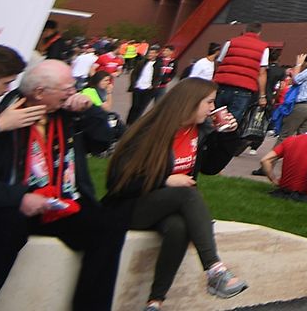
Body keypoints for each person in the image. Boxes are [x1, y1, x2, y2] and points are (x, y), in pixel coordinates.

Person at [103, 77, 251, 307]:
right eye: (209, 102)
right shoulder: (151, 131)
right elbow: (117, 182)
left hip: (166, 207)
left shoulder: (198, 131)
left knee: (179, 227)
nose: (213, 108)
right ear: (189, 103)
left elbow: (212, 168)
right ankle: (215, 270)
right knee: (187, 192)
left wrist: (228, 136)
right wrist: (164, 180)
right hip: (129, 206)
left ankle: (155, 302)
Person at [0, 58, 129, 311]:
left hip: (63, 202)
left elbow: (105, 141)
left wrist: (91, 110)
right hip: (18, 204)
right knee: (6, 226)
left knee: (108, 226)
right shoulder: (7, 113)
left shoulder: (71, 114)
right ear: (39, 92)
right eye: (67, 88)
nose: (73, 93)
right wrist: (18, 197)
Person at [211, 23, 273, 129]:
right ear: (259, 33)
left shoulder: (230, 42)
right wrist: (262, 96)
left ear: (245, 30)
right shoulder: (264, 48)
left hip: (223, 85)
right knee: (231, 124)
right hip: (244, 89)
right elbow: (261, 73)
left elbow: (219, 63)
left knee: (214, 119)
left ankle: (206, 142)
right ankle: (222, 143)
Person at [129, 44, 178, 125]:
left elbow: (173, 72)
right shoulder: (158, 60)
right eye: (164, 50)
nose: (164, 52)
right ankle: (135, 121)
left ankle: (153, 122)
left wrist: (167, 80)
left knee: (158, 105)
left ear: (171, 52)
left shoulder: (173, 61)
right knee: (141, 105)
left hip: (162, 87)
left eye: (167, 50)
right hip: (151, 86)